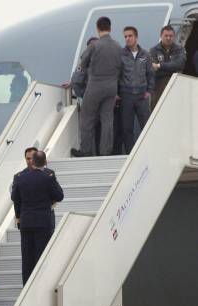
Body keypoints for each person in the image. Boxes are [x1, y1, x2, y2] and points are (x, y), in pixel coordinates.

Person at [71, 16, 122, 157]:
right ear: (110, 28)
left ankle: (86, 151)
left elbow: (83, 60)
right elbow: (121, 67)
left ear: (98, 28)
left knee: (87, 119)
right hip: (112, 87)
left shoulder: (94, 45)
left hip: (95, 86)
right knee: (107, 120)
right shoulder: (118, 46)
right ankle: (106, 151)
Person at [11, 150, 64, 285]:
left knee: (27, 259)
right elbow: (59, 196)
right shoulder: (48, 177)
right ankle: (41, 287)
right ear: (45, 162)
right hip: (43, 223)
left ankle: (26, 288)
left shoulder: (20, 178)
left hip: (26, 222)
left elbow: (15, 198)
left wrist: (19, 217)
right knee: (42, 258)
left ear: (32, 162)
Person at [119, 26, 154, 153]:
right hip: (126, 96)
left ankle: (147, 152)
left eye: (130, 36)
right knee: (127, 128)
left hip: (141, 96)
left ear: (136, 37)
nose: (127, 38)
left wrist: (149, 91)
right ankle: (130, 154)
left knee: (146, 126)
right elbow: (117, 74)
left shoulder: (145, 54)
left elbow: (150, 74)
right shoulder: (121, 54)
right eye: (125, 36)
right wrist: (118, 93)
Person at [150, 25, 186, 109]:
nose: (168, 38)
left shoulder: (179, 49)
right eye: (166, 36)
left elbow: (180, 64)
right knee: (157, 110)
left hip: (175, 85)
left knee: (174, 109)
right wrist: (172, 67)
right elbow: (153, 69)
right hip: (158, 87)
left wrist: (160, 65)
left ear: (174, 37)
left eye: (171, 36)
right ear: (161, 36)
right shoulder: (154, 50)